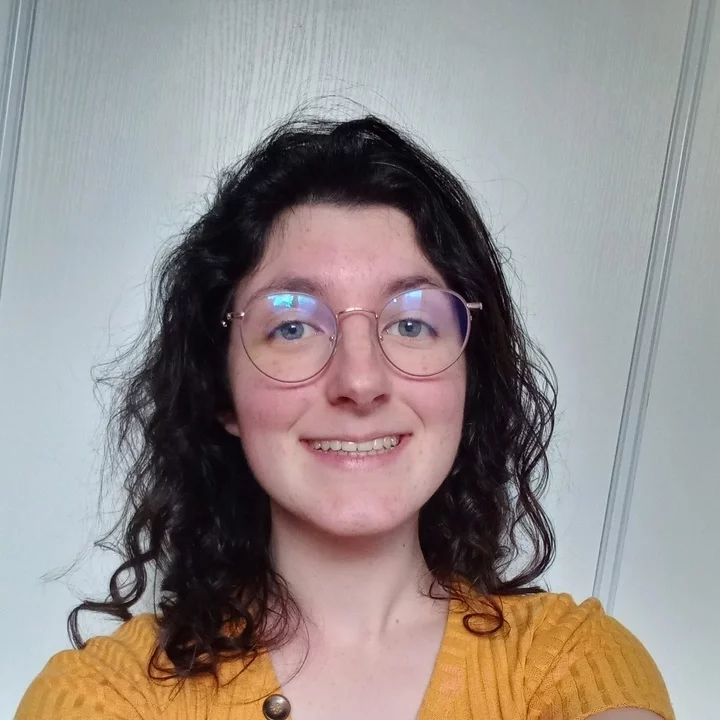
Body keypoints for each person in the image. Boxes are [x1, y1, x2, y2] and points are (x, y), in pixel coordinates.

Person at [15, 115, 674, 720]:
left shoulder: (571, 663)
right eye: (293, 326)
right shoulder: (101, 697)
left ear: (468, 379)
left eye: (412, 322)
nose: (360, 381)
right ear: (221, 391)